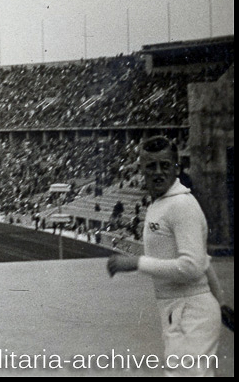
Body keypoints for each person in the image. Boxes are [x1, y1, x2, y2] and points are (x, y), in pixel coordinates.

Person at [107, 136, 221, 376]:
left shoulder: (181, 205)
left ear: (176, 168)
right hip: (179, 308)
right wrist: (220, 303)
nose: (158, 172)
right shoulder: (161, 204)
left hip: (190, 310)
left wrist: (137, 262)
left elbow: (192, 266)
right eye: (151, 166)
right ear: (142, 170)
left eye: (165, 165)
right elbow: (204, 259)